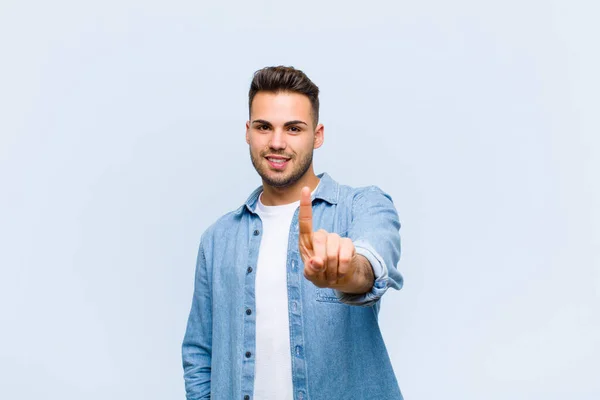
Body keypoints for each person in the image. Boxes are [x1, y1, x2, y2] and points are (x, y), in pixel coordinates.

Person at [182, 66, 404, 400]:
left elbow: (370, 265)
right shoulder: (217, 239)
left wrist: (344, 272)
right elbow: (199, 353)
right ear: (248, 132)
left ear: (317, 134)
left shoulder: (363, 206)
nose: (276, 142)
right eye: (264, 127)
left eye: (293, 128)